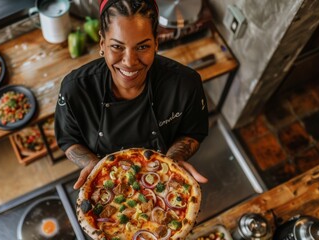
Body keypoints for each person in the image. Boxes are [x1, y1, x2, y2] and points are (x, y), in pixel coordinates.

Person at [55, 0, 209, 190]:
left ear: (156, 44)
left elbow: (192, 132)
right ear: (102, 43)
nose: (129, 62)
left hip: (164, 183)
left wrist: (172, 161)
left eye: (142, 47)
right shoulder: (75, 89)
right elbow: (69, 139)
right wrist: (95, 167)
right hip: (109, 185)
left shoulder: (186, 84)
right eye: (117, 47)